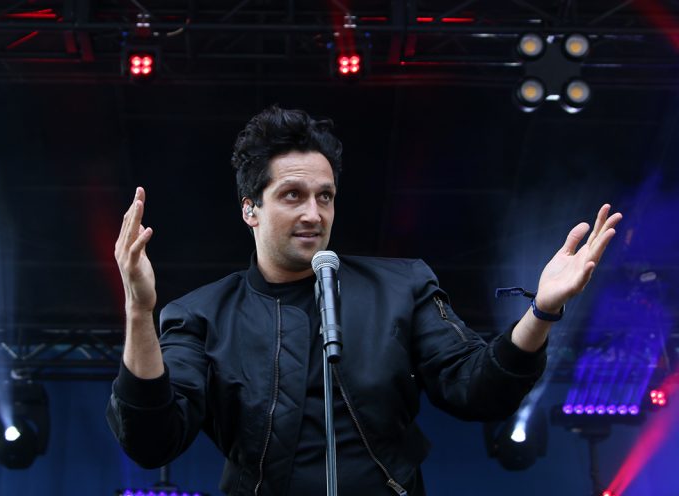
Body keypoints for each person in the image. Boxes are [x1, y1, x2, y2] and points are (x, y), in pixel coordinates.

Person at [106, 106, 622, 495]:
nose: (314, 213)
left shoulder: (400, 287)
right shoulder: (201, 314)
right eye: (292, 195)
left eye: (325, 196)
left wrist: (541, 312)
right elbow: (152, 440)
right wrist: (139, 309)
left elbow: (476, 388)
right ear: (250, 210)